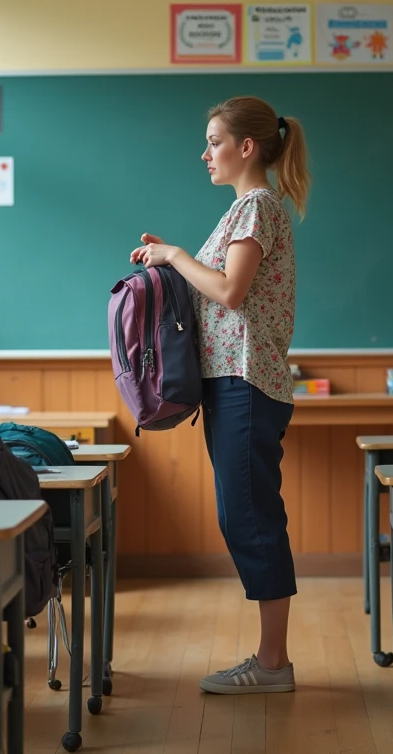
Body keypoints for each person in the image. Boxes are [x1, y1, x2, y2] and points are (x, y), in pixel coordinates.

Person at [129, 96, 311, 694]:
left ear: (247, 147)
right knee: (246, 514)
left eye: (214, 142)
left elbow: (230, 292)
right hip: (234, 383)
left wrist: (177, 255)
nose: (205, 153)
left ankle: (273, 665)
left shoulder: (256, 206)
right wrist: (171, 261)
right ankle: (271, 660)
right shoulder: (244, 209)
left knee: (250, 517)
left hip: (246, 383)